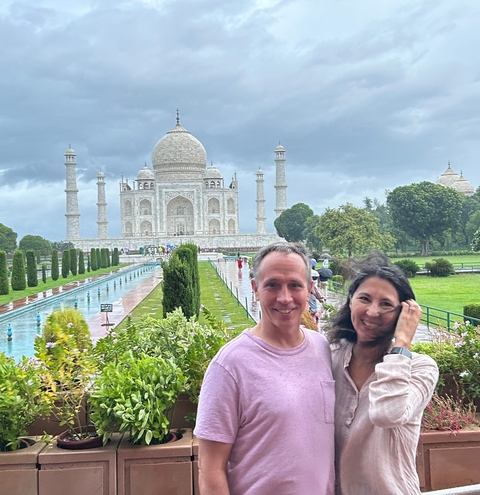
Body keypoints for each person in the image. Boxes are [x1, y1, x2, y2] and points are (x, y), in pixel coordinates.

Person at [194, 242, 335, 495]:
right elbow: (210, 468)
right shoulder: (230, 365)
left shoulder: (322, 348)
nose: (284, 298)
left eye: (295, 285)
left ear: (309, 290)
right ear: (255, 289)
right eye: (272, 285)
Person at [327, 254, 438, 495]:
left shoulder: (420, 368)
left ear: (404, 314)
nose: (372, 312)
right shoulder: (330, 359)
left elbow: (387, 414)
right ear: (350, 302)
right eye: (364, 299)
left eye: (386, 304)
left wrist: (403, 343)